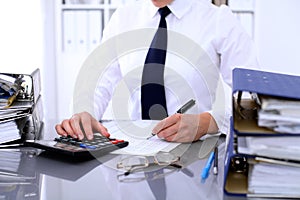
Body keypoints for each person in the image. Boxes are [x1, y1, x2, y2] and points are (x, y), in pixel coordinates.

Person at [55, 0, 259, 143]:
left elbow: (253, 96)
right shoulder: (122, 18)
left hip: (193, 158)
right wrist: (85, 112)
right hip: (133, 157)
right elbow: (97, 81)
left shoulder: (218, 19)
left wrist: (209, 122)